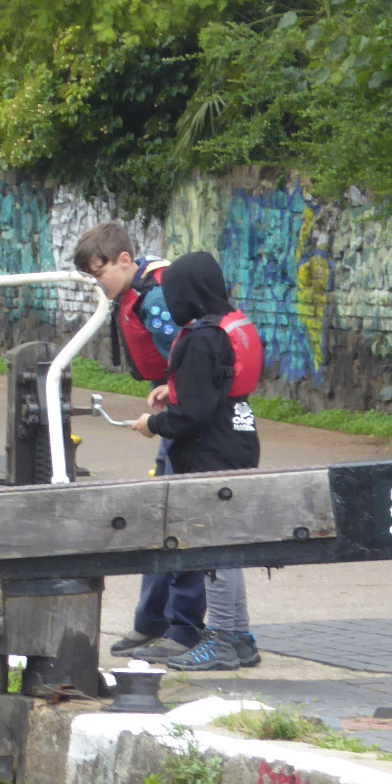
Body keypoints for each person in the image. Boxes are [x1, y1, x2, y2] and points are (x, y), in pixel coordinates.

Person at [73, 223, 207, 658]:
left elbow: (189, 360)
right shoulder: (145, 288)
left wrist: (164, 415)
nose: (99, 284)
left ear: (125, 260)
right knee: (158, 516)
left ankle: (182, 628)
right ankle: (151, 621)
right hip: (173, 405)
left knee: (175, 519)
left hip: (185, 418)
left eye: (100, 274)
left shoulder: (155, 300)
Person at [143, 251, 263, 672]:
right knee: (227, 546)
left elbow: (191, 415)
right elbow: (216, 385)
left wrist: (153, 423)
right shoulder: (226, 326)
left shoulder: (199, 339)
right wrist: (173, 391)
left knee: (215, 549)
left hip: (211, 450)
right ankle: (240, 636)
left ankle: (223, 638)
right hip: (238, 437)